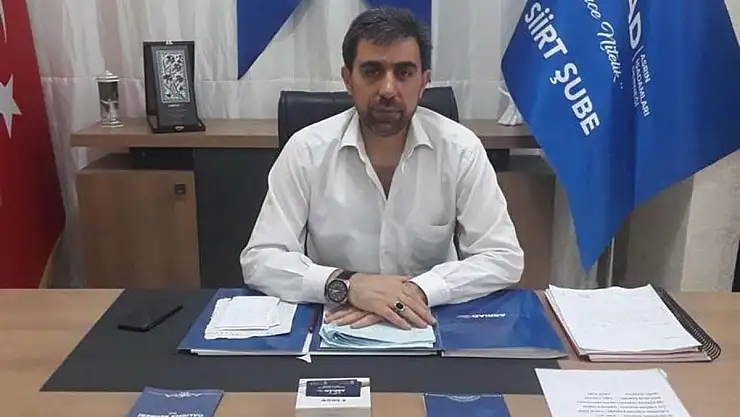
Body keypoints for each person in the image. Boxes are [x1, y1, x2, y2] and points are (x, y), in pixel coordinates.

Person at [240, 6, 523, 331]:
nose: (388, 89)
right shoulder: (306, 150)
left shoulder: (460, 149)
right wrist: (348, 285)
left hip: (428, 320)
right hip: (337, 322)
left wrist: (415, 291)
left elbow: (502, 256)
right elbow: (260, 258)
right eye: (372, 71)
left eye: (403, 73)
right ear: (348, 79)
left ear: (424, 82)